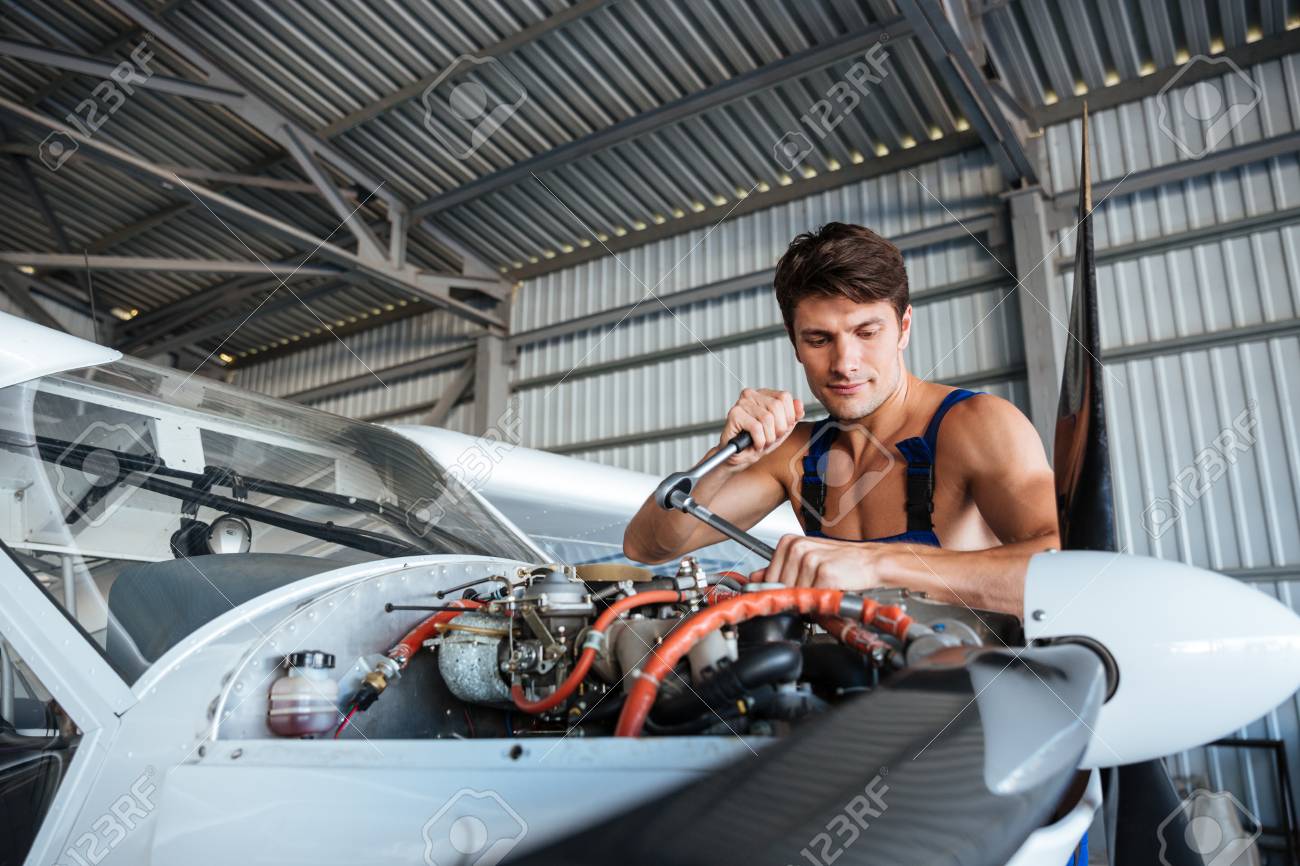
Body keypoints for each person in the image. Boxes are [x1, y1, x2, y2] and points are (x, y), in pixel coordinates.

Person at [623, 222, 1058, 617]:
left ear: (904, 327)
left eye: (867, 333)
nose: (844, 363)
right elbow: (647, 545)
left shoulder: (977, 425)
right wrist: (724, 461)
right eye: (818, 339)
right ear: (795, 344)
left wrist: (876, 564)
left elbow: (1067, 567)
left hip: (968, 695)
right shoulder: (794, 454)